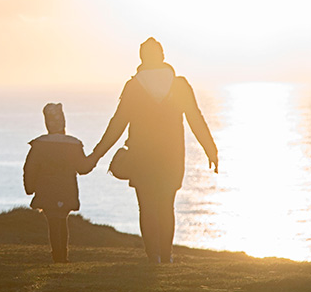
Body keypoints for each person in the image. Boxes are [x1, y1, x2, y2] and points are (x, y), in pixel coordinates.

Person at [87, 38, 218, 263]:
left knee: (147, 207)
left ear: (142, 59)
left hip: (142, 157)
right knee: (166, 207)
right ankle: (166, 256)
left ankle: (153, 256)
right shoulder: (179, 85)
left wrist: (95, 156)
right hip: (171, 157)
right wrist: (210, 150)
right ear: (163, 56)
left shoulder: (133, 86)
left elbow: (117, 124)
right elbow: (195, 118)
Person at [23, 103, 95, 263]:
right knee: (61, 220)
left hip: (46, 190)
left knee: (53, 221)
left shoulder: (39, 144)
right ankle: (62, 256)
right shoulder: (73, 144)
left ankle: (58, 256)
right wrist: (95, 156)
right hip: (67, 190)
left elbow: (30, 168)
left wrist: (30, 187)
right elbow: (83, 168)